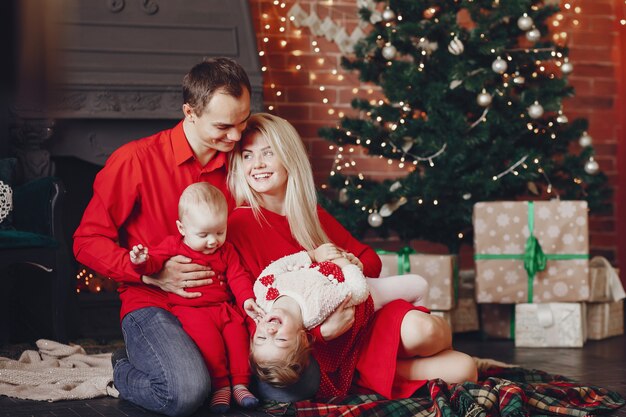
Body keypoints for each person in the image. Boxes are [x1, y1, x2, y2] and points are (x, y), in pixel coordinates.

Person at [227, 113, 478, 400]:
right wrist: (321, 333)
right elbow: (249, 309)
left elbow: (371, 259)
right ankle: (369, 374)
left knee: (429, 332)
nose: (256, 164)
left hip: (362, 322)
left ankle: (382, 365)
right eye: (247, 156)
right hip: (318, 348)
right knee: (464, 368)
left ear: (289, 157)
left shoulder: (311, 215)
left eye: (267, 153)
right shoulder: (239, 224)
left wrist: (348, 263)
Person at [73, 57, 252, 417]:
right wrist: (148, 273)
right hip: (151, 303)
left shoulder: (242, 161)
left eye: (244, 120)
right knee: (186, 392)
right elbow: (86, 241)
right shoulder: (134, 161)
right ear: (190, 112)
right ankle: (123, 367)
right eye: (224, 125)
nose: (236, 135)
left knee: (279, 378)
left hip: (220, 306)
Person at [129, 182, 263, 413]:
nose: (213, 241)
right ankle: (220, 387)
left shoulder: (226, 251)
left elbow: (237, 276)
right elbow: (154, 263)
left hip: (225, 308)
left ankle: (241, 385)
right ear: (182, 228)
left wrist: (246, 299)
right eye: (203, 234)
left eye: (220, 232)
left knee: (237, 340)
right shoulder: (173, 245)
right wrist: (142, 261)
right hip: (192, 311)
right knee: (210, 347)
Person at [250, 243, 429, 387]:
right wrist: (346, 265)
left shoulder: (262, 293)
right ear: (303, 338)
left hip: (328, 266)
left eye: (261, 337)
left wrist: (312, 255)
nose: (271, 332)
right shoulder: (316, 309)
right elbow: (358, 291)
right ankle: (415, 351)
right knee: (419, 285)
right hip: (369, 293)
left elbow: (277, 266)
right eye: (280, 341)